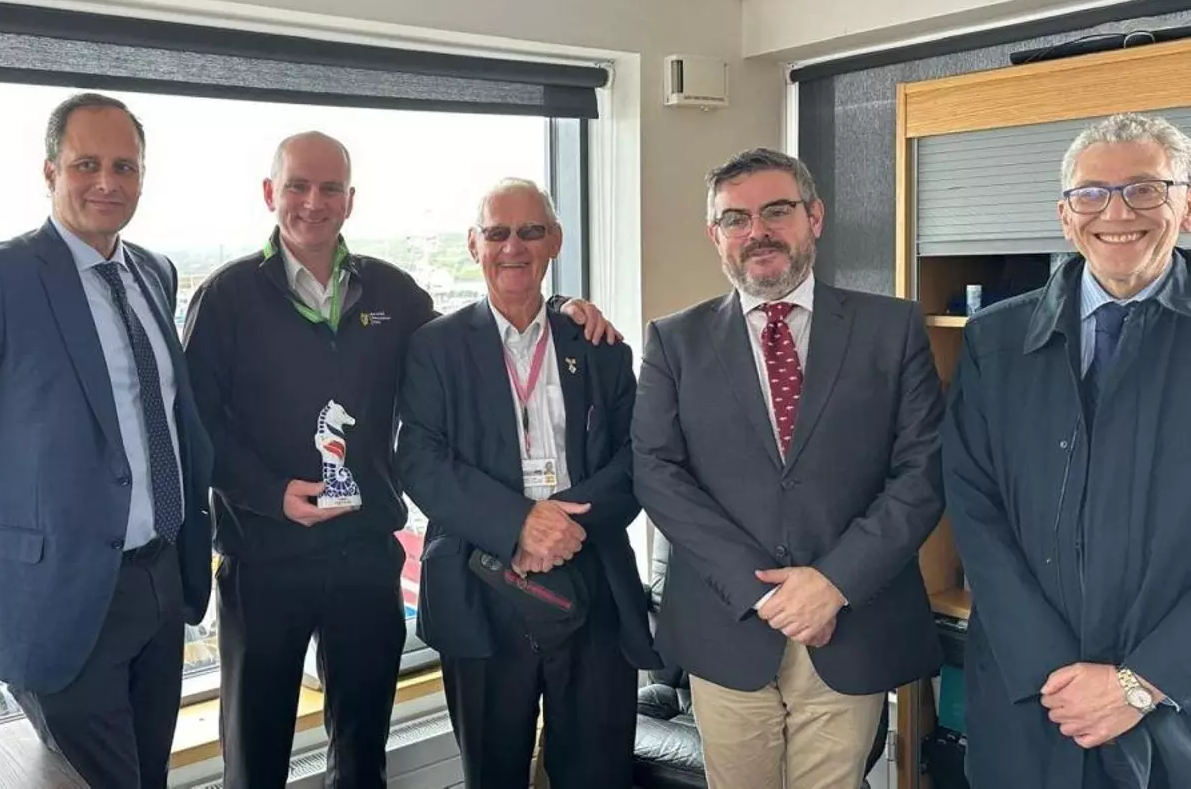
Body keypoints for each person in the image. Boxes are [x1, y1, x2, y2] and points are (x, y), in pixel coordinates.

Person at [181, 134, 616, 789]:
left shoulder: (389, 290)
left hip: (364, 557)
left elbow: (476, 335)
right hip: (264, 558)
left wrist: (559, 310)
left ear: (349, 200)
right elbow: (197, 428)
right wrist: (270, 493)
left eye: (330, 188)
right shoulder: (226, 296)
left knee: (362, 752)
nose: (313, 202)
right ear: (271, 193)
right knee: (255, 754)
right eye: (298, 186)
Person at [0, 92, 213, 789]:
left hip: (160, 583)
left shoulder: (154, 273)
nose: (107, 182)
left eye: (125, 166)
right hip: (58, 599)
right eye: (87, 164)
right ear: (50, 171)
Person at [630, 148, 944, 789]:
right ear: (715, 234)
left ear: (814, 217)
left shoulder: (892, 328)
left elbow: (922, 472)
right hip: (729, 623)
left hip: (849, 620)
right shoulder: (674, 341)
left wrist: (833, 583)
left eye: (777, 211)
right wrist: (764, 593)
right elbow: (658, 474)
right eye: (736, 219)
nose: (758, 232)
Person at [942, 111, 1191, 789]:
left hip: (1175, 705)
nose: (1117, 212)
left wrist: (1144, 680)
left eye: (1145, 188)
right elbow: (974, 507)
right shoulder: (994, 340)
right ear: (1064, 215)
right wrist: (1054, 671)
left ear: (1185, 206)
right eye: (1091, 193)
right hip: (1033, 698)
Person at [394, 179, 657, 788]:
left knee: (597, 773)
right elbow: (420, 459)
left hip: (591, 581)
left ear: (555, 241)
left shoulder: (599, 344)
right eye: (497, 233)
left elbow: (639, 456)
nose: (513, 247)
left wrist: (561, 524)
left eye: (531, 232)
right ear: (474, 245)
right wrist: (520, 525)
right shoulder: (434, 347)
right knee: (494, 774)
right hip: (480, 585)